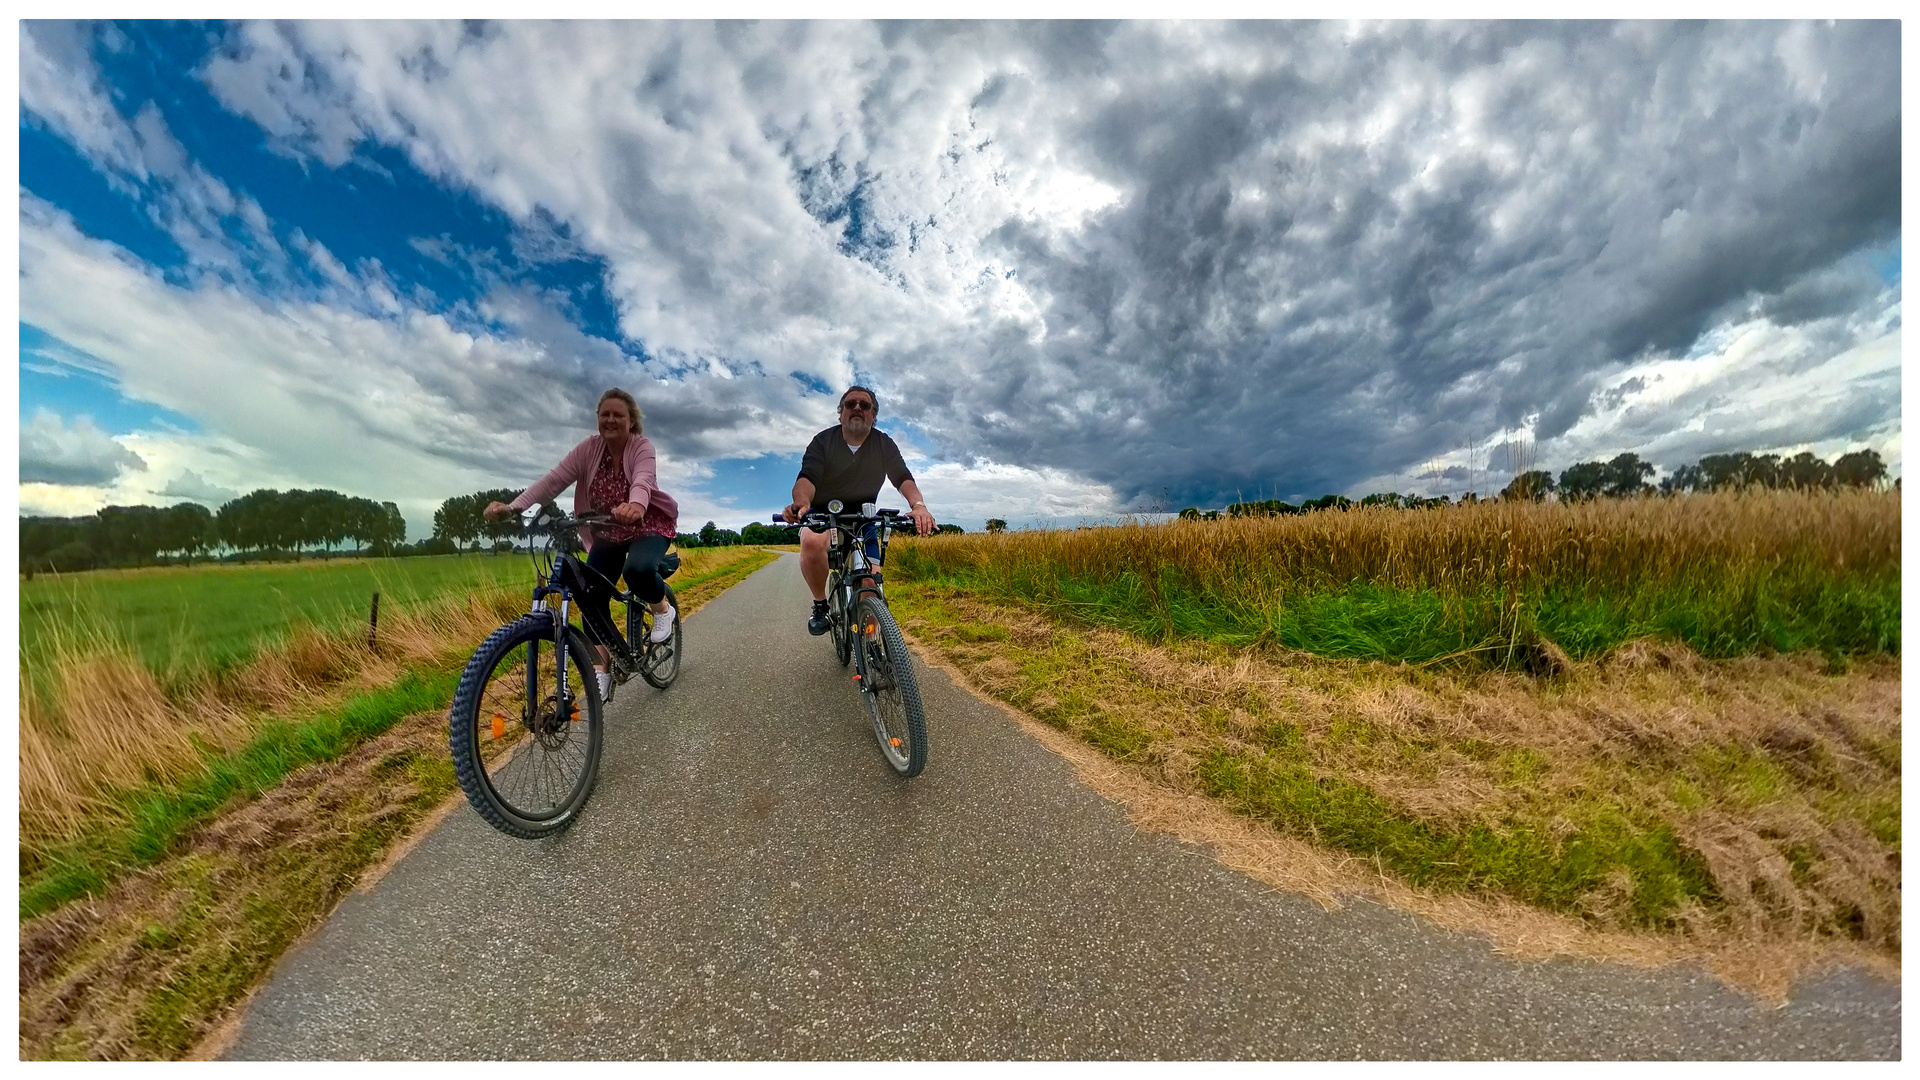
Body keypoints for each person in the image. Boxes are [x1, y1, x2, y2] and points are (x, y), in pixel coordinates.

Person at [486, 388, 679, 702]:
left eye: (619, 415)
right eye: (605, 414)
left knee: (638, 570)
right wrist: (515, 507)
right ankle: (601, 670)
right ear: (598, 419)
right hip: (608, 530)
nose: (611, 420)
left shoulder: (642, 447)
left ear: (632, 421)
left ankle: (662, 610)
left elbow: (643, 478)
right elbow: (553, 481)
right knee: (589, 596)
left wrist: (636, 505)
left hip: (646, 522)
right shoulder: (588, 450)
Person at [781, 385, 935, 635]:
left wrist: (918, 506)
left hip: (865, 520)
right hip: (824, 516)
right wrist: (802, 503)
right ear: (840, 412)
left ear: (873, 416)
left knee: (871, 582)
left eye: (865, 406)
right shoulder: (823, 441)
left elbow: (903, 478)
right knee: (810, 541)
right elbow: (806, 478)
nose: (857, 409)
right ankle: (821, 604)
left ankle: (873, 647)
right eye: (850, 404)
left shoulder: (883, 443)